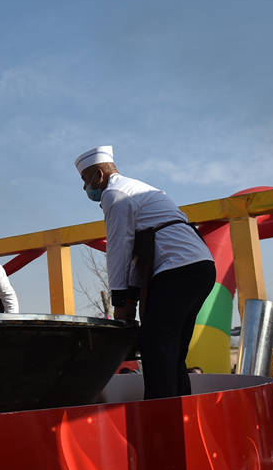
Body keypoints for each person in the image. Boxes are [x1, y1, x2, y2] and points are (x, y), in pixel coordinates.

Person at [75, 145, 215, 400]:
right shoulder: (137, 188)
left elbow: (119, 248)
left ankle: (160, 411)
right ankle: (179, 406)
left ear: (99, 175)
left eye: (85, 181)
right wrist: (132, 297)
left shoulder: (115, 194)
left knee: (155, 346)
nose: (86, 188)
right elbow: (142, 255)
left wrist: (119, 302)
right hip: (200, 267)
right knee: (172, 350)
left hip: (178, 270)